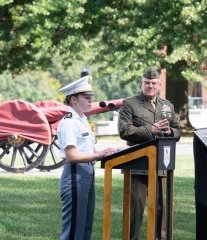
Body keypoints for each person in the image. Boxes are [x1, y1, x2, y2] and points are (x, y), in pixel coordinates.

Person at [118, 68, 181, 240]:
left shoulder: (168, 106)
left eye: (154, 83)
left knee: (161, 207)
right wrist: (150, 130)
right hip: (137, 164)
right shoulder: (130, 104)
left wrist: (169, 132)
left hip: (161, 164)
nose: (150, 86)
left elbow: (177, 131)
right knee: (135, 209)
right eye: (147, 83)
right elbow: (124, 130)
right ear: (142, 83)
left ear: (159, 85)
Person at [57, 76, 115, 240]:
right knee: (74, 229)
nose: (91, 101)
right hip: (75, 175)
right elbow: (71, 155)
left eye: (91, 97)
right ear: (73, 99)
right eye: (86, 97)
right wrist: (99, 154)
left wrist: (108, 152)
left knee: (85, 228)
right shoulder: (69, 122)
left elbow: (89, 150)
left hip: (86, 173)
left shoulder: (82, 120)